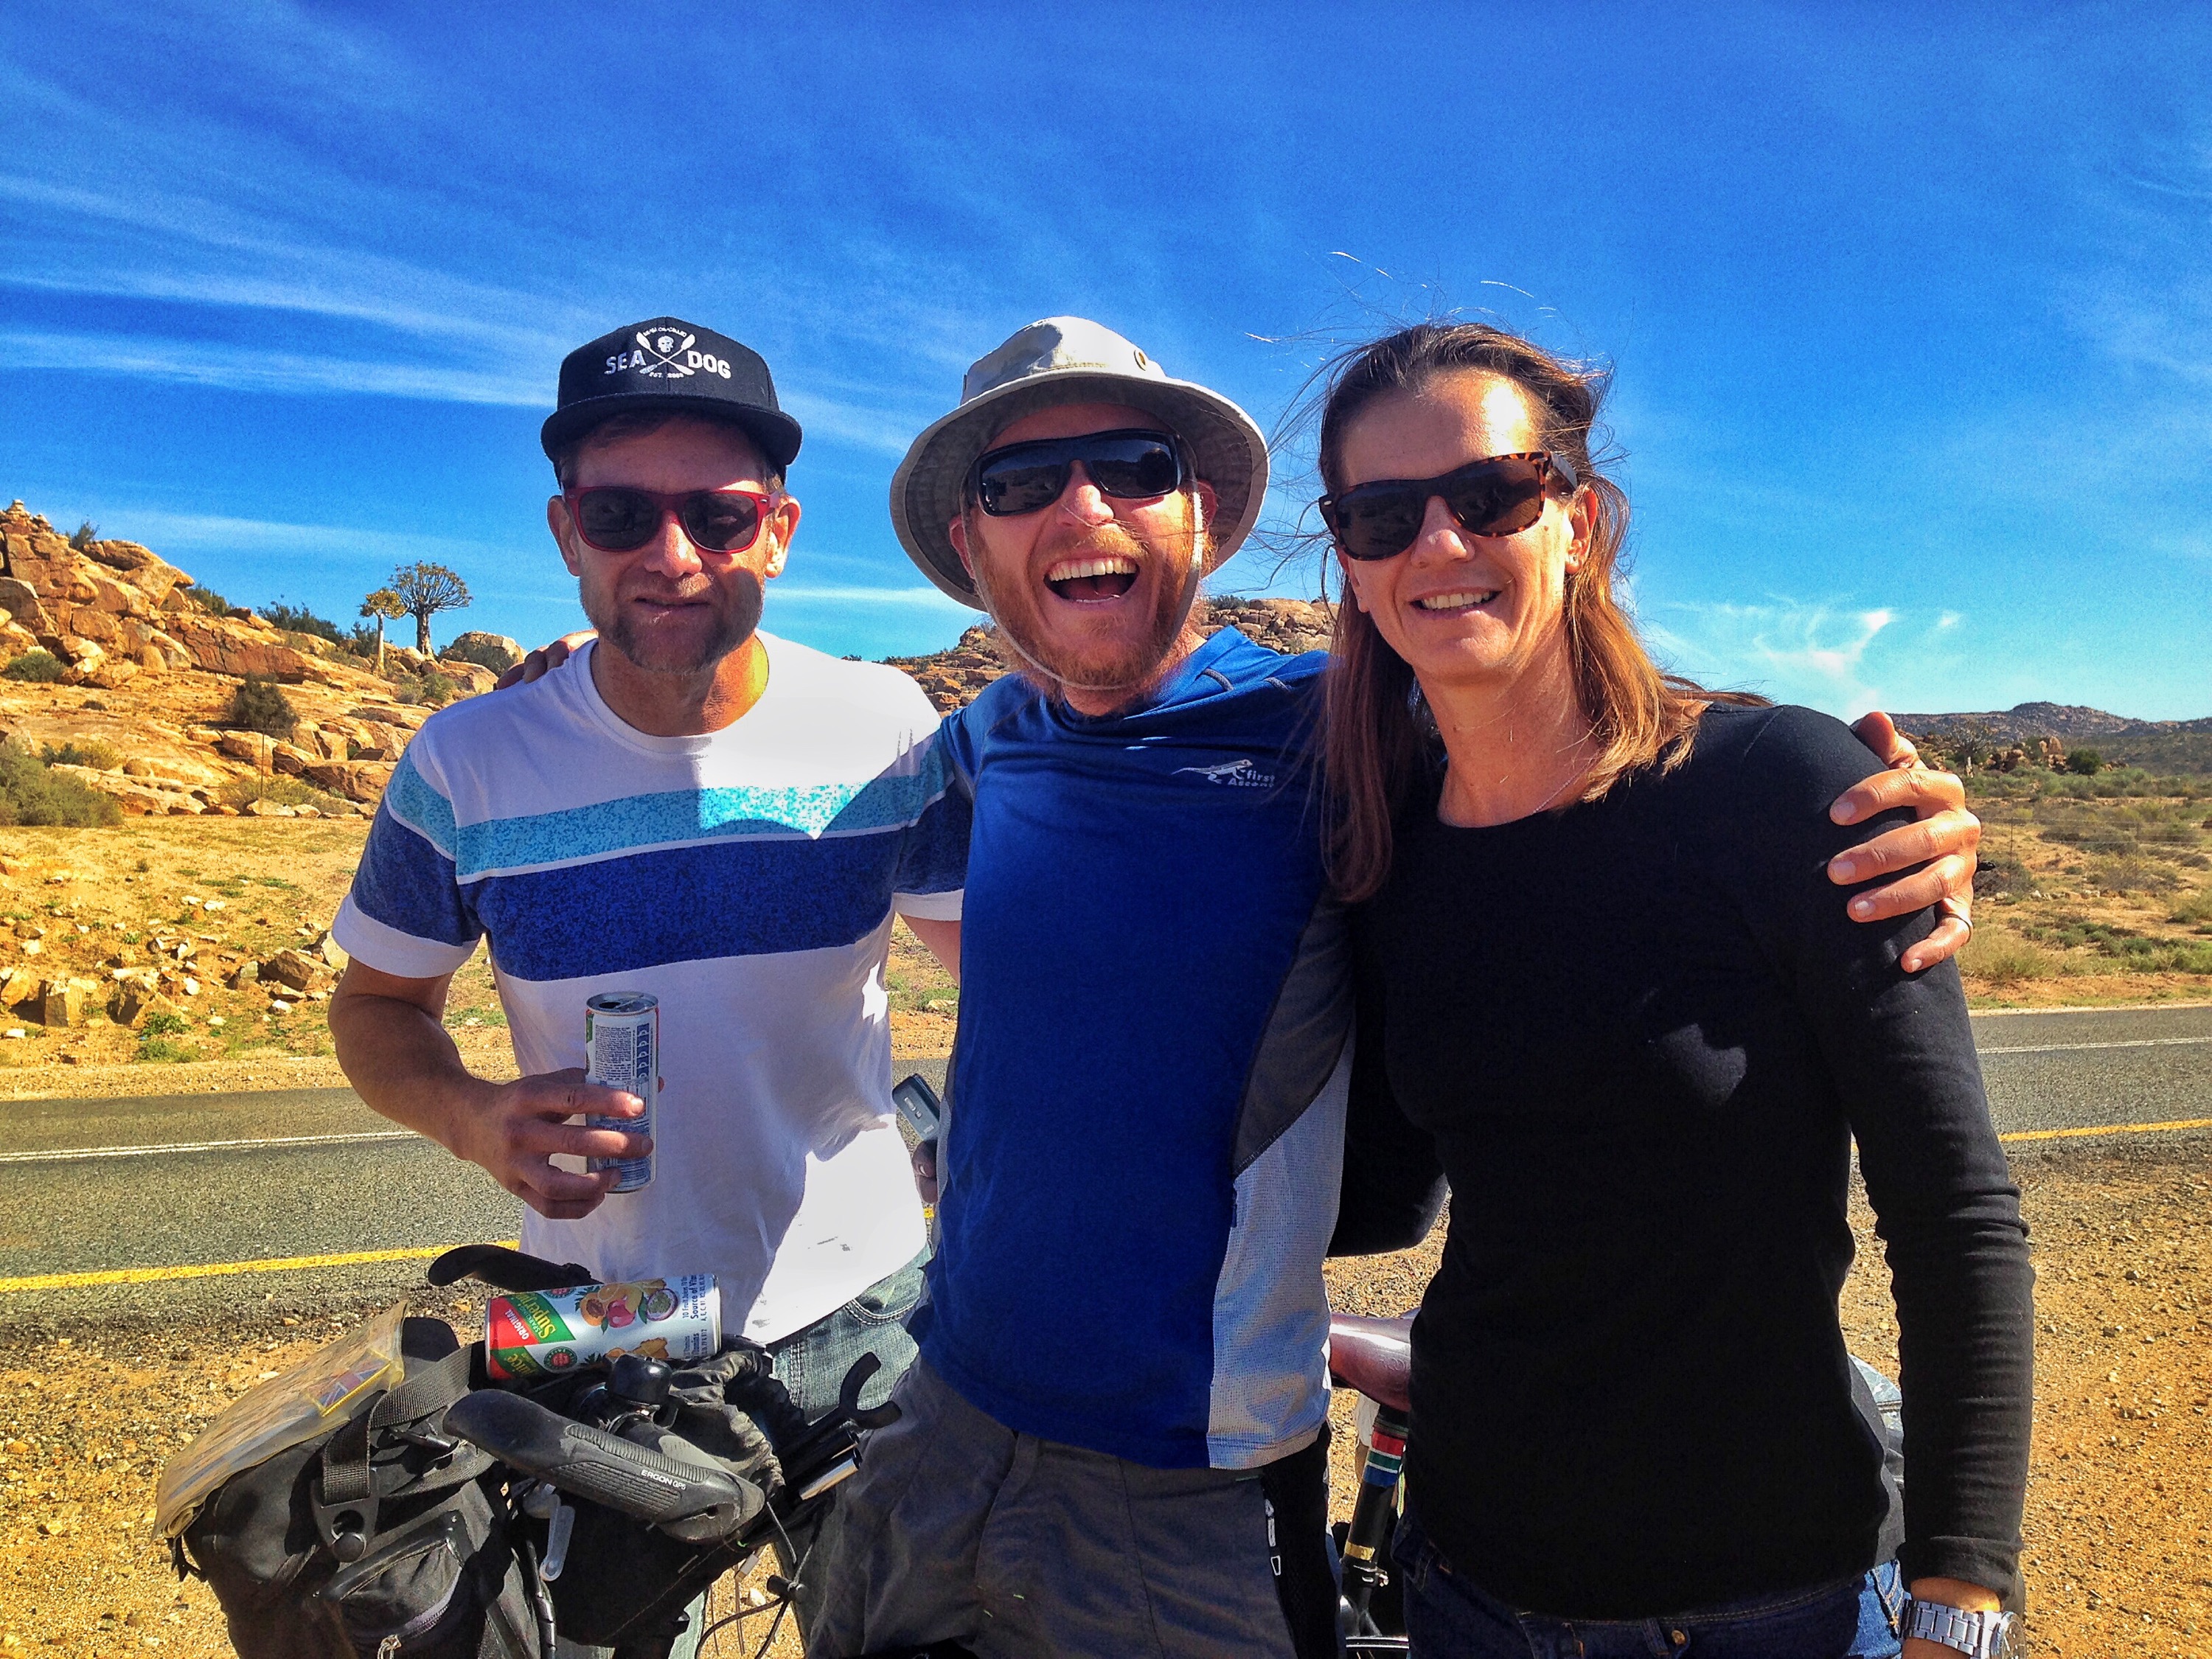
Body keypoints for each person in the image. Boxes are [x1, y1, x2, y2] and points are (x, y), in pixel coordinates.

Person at [773, 318, 1988, 1659]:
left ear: (1204, 514)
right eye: (1019, 484)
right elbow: (775, 803)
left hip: (1196, 1472)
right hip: (954, 1413)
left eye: (1129, 466)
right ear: (972, 545)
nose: (1080, 509)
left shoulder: (1338, 730)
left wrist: (1877, 800)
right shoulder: (987, 740)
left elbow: (1570, 721)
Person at [1312, 322, 2031, 1658]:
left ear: (1578, 522)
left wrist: (1963, 1601)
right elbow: (1387, 1189)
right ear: (1348, 561)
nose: (1439, 541)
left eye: (1490, 495)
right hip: (1466, 1585)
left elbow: (1957, 1215)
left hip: (1769, 1598)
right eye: (1383, 514)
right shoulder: (1388, 850)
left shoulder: (1779, 792)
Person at [325, 317, 967, 1654]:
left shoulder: (888, 732)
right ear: (568, 530)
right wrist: (473, 1117)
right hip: (593, 1312)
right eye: (623, 513)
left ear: (778, 530)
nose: (672, 553)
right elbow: (378, 1007)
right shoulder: (466, 764)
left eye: (717, 516)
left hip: (860, 1300)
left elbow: (1007, 974)